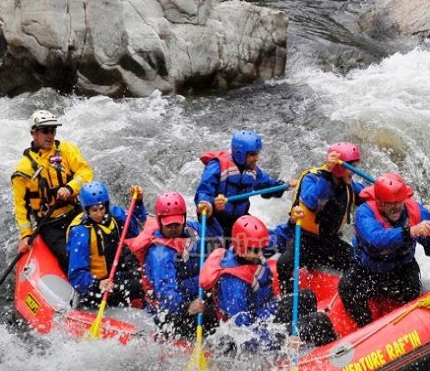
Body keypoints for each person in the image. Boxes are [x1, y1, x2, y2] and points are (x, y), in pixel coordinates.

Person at [338, 173, 430, 328]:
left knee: (411, 291)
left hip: (402, 270)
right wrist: (410, 232)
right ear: (379, 202)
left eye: (399, 202)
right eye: (390, 203)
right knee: (346, 288)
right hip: (368, 271)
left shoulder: (416, 211)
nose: (396, 207)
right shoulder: (365, 213)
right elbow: (375, 239)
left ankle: (413, 329)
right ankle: (365, 327)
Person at [200, 215, 336, 352]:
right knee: (319, 321)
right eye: (255, 250)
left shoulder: (253, 246)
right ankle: (315, 352)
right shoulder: (234, 283)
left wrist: (291, 223)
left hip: (265, 311)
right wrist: (284, 340)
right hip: (255, 332)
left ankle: (306, 341)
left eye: (261, 248)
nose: (260, 253)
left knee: (307, 296)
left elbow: (278, 238)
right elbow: (243, 332)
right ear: (241, 248)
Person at [276, 142, 366, 293]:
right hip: (306, 240)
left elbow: (367, 194)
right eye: (352, 167)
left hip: (330, 242)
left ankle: (350, 294)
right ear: (339, 168)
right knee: (284, 264)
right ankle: (288, 297)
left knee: (359, 264)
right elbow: (314, 202)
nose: (354, 172)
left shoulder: (349, 185)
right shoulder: (310, 178)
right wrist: (327, 176)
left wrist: (386, 193)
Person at [11, 110, 93, 271]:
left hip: (74, 212)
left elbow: (85, 172)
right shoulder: (23, 170)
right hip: (49, 224)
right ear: (34, 133)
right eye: (45, 131)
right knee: (68, 256)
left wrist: (70, 187)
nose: (50, 135)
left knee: (97, 243)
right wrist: (26, 235)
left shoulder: (67, 150)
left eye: (53, 130)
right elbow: (21, 207)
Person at [135, 192, 224, 340]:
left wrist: (209, 220)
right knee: (210, 316)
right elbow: (167, 295)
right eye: (168, 224)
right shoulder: (159, 254)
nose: (173, 228)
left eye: (177, 223)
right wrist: (187, 307)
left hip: (197, 291)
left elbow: (217, 237)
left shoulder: (192, 229)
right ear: (159, 221)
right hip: (170, 311)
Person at [194, 129, 297, 238]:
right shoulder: (217, 166)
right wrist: (211, 203)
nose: (257, 158)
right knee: (218, 241)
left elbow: (268, 186)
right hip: (215, 220)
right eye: (253, 155)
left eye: (257, 153)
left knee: (259, 236)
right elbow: (202, 193)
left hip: (239, 219)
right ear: (240, 154)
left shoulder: (253, 171)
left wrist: (284, 186)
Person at [67, 182, 146, 308]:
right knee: (139, 286)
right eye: (94, 210)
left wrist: (138, 203)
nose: (99, 214)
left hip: (114, 274)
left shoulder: (115, 215)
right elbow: (76, 275)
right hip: (94, 285)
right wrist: (98, 284)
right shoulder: (80, 233)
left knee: (146, 278)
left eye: (102, 208)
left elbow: (136, 228)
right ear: (86, 209)